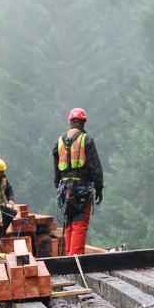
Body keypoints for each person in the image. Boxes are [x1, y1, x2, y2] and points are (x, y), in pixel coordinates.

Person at [53, 107, 103, 255]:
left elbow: (56, 170)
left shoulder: (59, 142)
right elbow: (95, 168)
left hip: (65, 189)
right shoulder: (86, 140)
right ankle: (75, 261)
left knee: (69, 223)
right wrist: (99, 188)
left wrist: (58, 186)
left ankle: (69, 259)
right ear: (83, 122)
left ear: (70, 122)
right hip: (81, 189)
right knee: (79, 224)